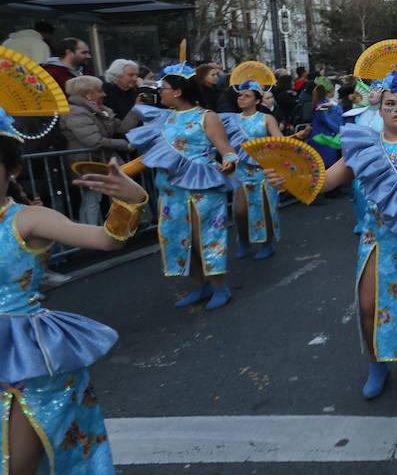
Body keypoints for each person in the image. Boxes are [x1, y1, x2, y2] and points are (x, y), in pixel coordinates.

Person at [0, 118, 150, 475]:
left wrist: (129, 201)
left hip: (29, 360)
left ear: (10, 171)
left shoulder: (24, 220)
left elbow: (106, 240)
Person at [270, 69, 397, 398]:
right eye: (391, 103)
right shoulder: (364, 147)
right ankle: (377, 365)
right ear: (380, 109)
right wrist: (291, 179)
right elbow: (324, 182)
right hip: (378, 240)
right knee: (366, 305)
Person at [127, 65, 240, 309]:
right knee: (179, 238)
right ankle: (201, 287)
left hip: (203, 187)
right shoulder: (163, 117)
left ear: (177, 92)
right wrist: (118, 173)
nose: (160, 93)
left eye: (164, 88)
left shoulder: (206, 116)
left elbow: (226, 149)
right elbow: (152, 156)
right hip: (170, 189)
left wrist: (230, 162)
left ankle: (220, 287)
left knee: (206, 238)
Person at [58, 76, 137, 225]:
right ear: (87, 94)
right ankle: (88, 234)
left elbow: (122, 127)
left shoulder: (99, 110)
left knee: (110, 194)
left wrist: (137, 109)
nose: (104, 94)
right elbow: (94, 141)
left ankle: (116, 228)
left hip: (100, 159)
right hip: (86, 161)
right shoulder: (76, 112)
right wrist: (124, 144)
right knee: (92, 199)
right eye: (99, 91)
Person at [223, 83, 285, 260]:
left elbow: (279, 141)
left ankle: (267, 243)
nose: (241, 98)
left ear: (257, 100)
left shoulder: (266, 118)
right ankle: (244, 241)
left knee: (265, 209)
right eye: (240, 95)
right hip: (241, 171)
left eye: (247, 95)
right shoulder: (232, 119)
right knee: (240, 211)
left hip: (264, 172)